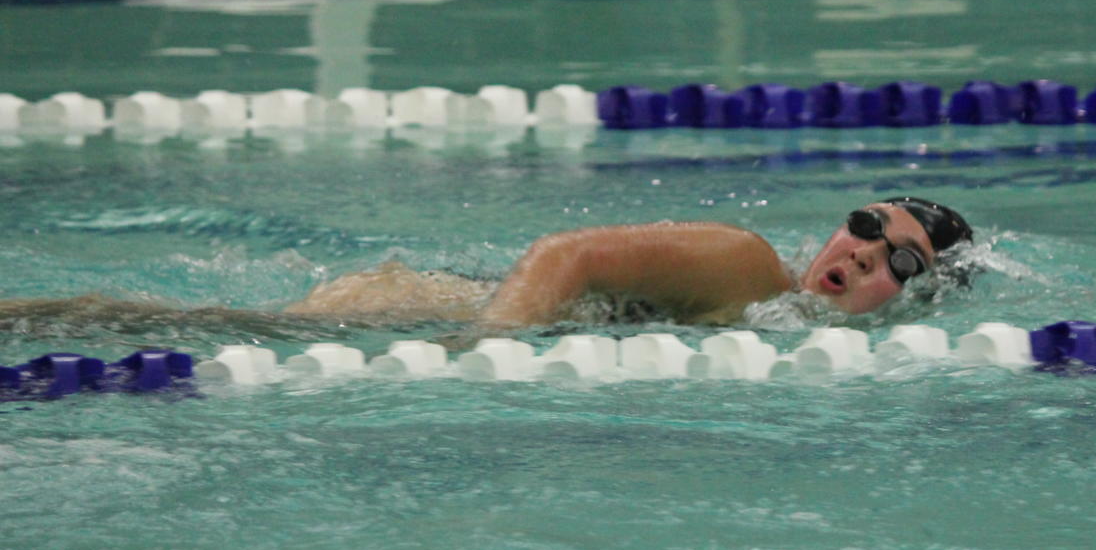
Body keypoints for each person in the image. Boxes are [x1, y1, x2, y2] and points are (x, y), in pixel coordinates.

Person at [284, 196, 975, 330]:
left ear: (915, 300)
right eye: (865, 225)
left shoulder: (775, 320)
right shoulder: (747, 266)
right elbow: (566, 255)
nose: (861, 252)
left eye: (902, 263)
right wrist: (479, 350)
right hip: (411, 309)